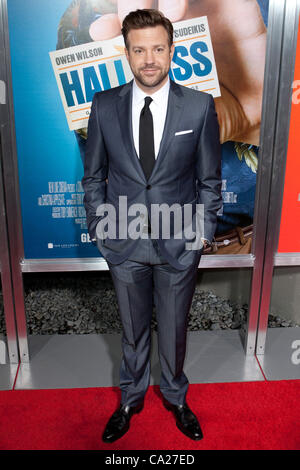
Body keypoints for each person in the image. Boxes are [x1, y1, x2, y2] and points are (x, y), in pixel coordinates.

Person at [82, 8, 222, 442]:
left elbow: (209, 179)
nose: (149, 59)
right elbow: (93, 177)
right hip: (123, 243)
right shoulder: (105, 105)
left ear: (171, 51)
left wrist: (200, 234)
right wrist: (101, 228)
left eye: (157, 49)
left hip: (178, 242)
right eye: (139, 49)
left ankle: (177, 398)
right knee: (131, 328)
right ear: (126, 53)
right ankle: (130, 397)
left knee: (175, 328)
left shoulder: (199, 107)